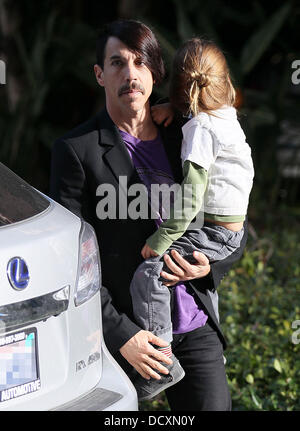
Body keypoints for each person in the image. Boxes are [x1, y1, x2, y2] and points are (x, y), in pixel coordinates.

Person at [50, 20, 248, 411]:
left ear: (156, 72)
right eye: (117, 63)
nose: (130, 74)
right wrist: (121, 333)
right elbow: (68, 259)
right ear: (99, 74)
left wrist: (207, 267)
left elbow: (229, 219)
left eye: (140, 62)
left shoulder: (189, 135)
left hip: (194, 324)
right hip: (129, 337)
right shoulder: (76, 150)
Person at [129, 37, 254, 401]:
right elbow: (204, 110)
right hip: (231, 228)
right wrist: (177, 106)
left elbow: (191, 196)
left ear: (179, 88)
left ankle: (160, 364)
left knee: (148, 274)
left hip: (214, 234)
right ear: (223, 82)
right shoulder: (225, 114)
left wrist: (162, 240)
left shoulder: (199, 131)